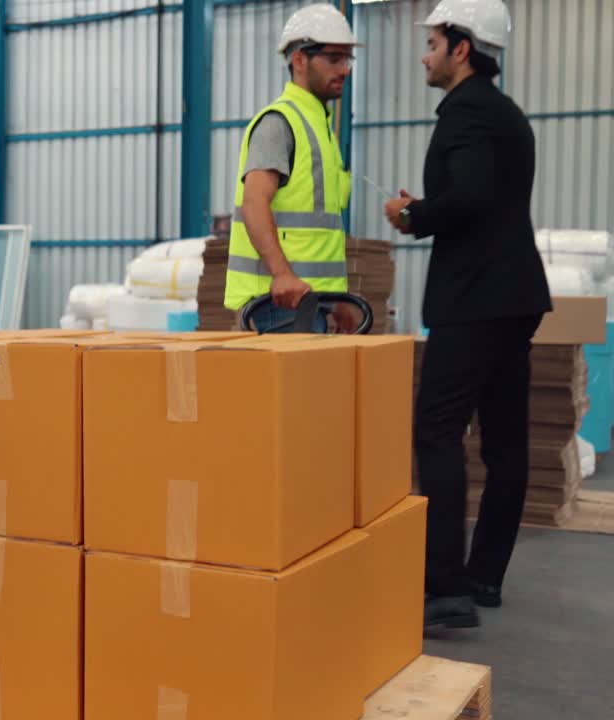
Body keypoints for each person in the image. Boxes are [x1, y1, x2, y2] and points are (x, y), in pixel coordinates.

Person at [383, 0, 551, 630]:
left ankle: (445, 589)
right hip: (512, 297)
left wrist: (413, 214)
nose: (424, 55)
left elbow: (472, 199)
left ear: (461, 46)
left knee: (437, 431)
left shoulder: (469, 113)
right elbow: (484, 196)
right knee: (505, 441)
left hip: (476, 298)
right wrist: (431, 208)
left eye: (431, 42)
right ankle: (482, 577)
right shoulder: (505, 115)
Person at [224, 3, 359, 334]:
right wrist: (281, 273)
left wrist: (337, 299)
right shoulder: (280, 123)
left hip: (311, 302)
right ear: (299, 60)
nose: (345, 69)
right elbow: (254, 202)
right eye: (334, 59)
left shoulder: (320, 126)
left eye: (347, 59)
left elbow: (319, 233)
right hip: (280, 304)